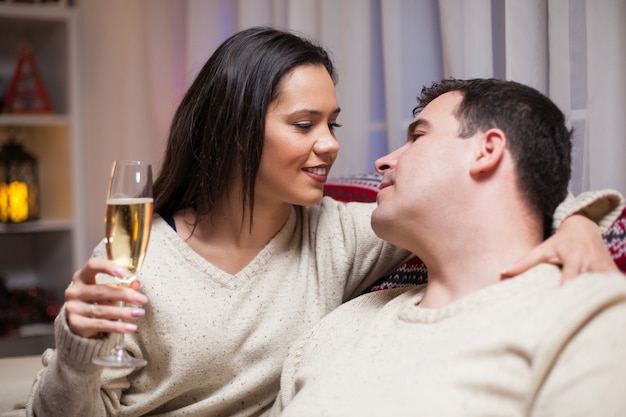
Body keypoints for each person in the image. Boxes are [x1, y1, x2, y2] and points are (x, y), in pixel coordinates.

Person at [1, 28, 619, 417]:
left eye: (334, 124)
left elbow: (492, 205)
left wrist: (577, 227)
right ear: (235, 128)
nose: (329, 145)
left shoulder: (343, 232)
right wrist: (78, 349)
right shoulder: (138, 263)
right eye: (304, 125)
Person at [269, 78, 626, 417]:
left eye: (417, 137)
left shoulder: (587, 314)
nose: (383, 162)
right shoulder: (335, 329)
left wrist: (578, 220)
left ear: (487, 151)